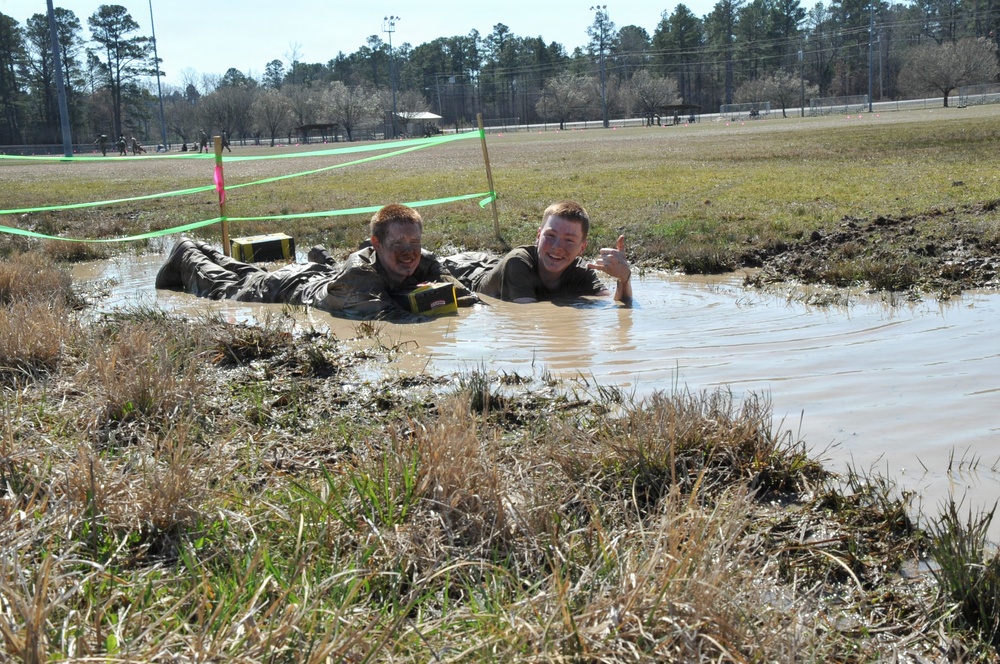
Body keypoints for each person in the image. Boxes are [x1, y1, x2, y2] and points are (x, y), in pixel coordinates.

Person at [155, 204, 474, 320]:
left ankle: (201, 249)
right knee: (227, 286)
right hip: (289, 288)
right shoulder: (359, 278)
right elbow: (390, 318)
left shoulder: (424, 260)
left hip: (322, 274)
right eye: (398, 245)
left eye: (415, 244)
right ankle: (187, 252)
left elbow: (465, 295)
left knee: (244, 271)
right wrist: (436, 310)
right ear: (376, 244)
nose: (409, 254)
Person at [443, 200, 633, 304]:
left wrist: (623, 279)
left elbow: (613, 306)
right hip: (465, 270)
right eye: (550, 235)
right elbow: (530, 317)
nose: (558, 246)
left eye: (569, 240)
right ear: (538, 235)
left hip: (493, 264)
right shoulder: (518, 263)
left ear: (582, 248)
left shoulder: (580, 270)